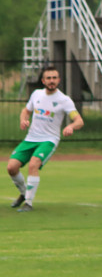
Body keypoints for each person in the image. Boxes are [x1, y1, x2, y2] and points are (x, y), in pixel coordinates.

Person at [7, 66, 83, 212]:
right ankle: (24, 194)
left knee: (33, 164)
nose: (52, 81)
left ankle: (28, 203)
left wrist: (71, 127)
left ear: (59, 80)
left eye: (54, 78)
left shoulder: (64, 100)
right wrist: (23, 120)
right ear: (43, 81)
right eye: (48, 78)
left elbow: (79, 120)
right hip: (31, 138)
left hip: (49, 140)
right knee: (11, 168)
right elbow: (26, 111)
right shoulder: (36, 94)